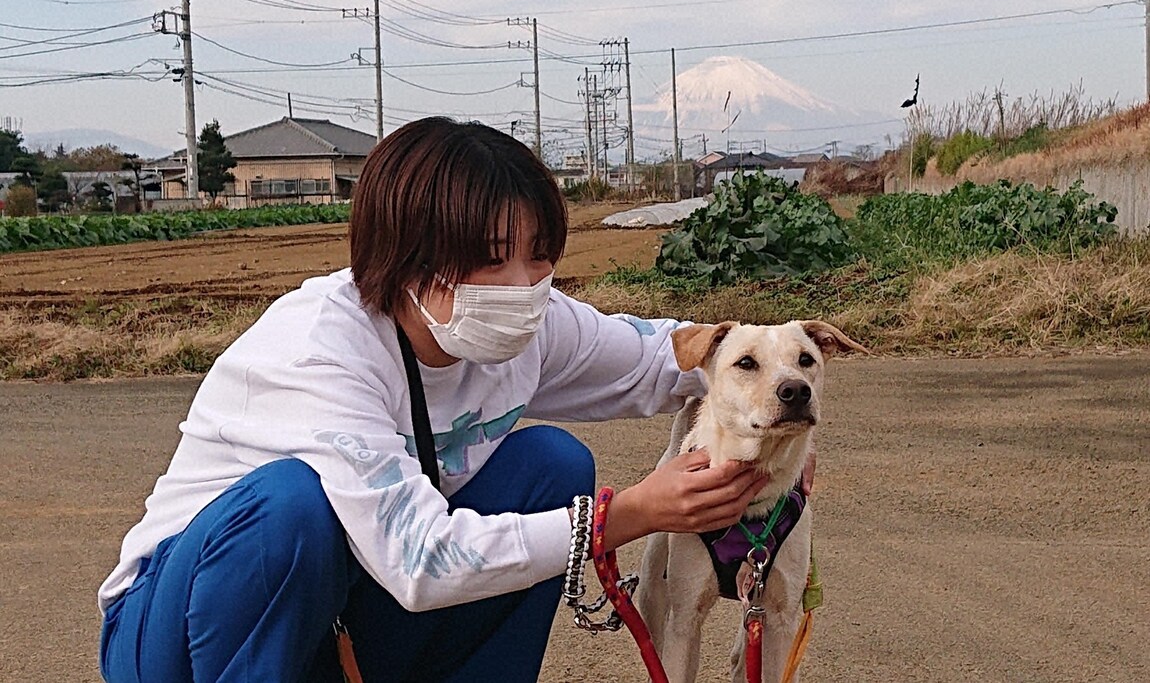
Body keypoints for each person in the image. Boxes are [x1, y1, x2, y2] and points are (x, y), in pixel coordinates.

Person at [97, 117, 770, 683]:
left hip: (339, 610)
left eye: (540, 255)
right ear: (408, 258)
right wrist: (623, 518)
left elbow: (670, 358)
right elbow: (420, 559)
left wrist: (775, 415)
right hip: (175, 632)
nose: (524, 284)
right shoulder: (320, 350)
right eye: (492, 258)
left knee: (552, 466)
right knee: (290, 507)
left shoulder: (535, 323)